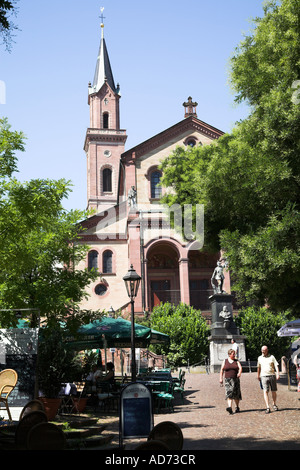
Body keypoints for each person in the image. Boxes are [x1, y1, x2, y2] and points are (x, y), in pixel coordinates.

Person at [257, 345, 280, 413]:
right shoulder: (259, 358)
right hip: (263, 376)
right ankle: (267, 406)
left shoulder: (272, 357)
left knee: (273, 391)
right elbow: (259, 367)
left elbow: (276, 365)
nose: (263, 352)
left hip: (272, 375)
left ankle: (274, 404)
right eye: (262, 351)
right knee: (265, 391)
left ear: (267, 350)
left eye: (264, 351)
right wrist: (258, 375)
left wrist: (278, 374)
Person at [219, 349, 242, 414]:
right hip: (227, 380)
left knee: (236, 394)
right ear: (229, 354)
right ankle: (230, 408)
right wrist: (221, 378)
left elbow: (240, 368)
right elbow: (222, 370)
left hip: (235, 379)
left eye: (234, 354)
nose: (234, 355)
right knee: (229, 393)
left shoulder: (236, 361)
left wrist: (239, 373)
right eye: (233, 354)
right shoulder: (225, 361)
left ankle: (237, 407)